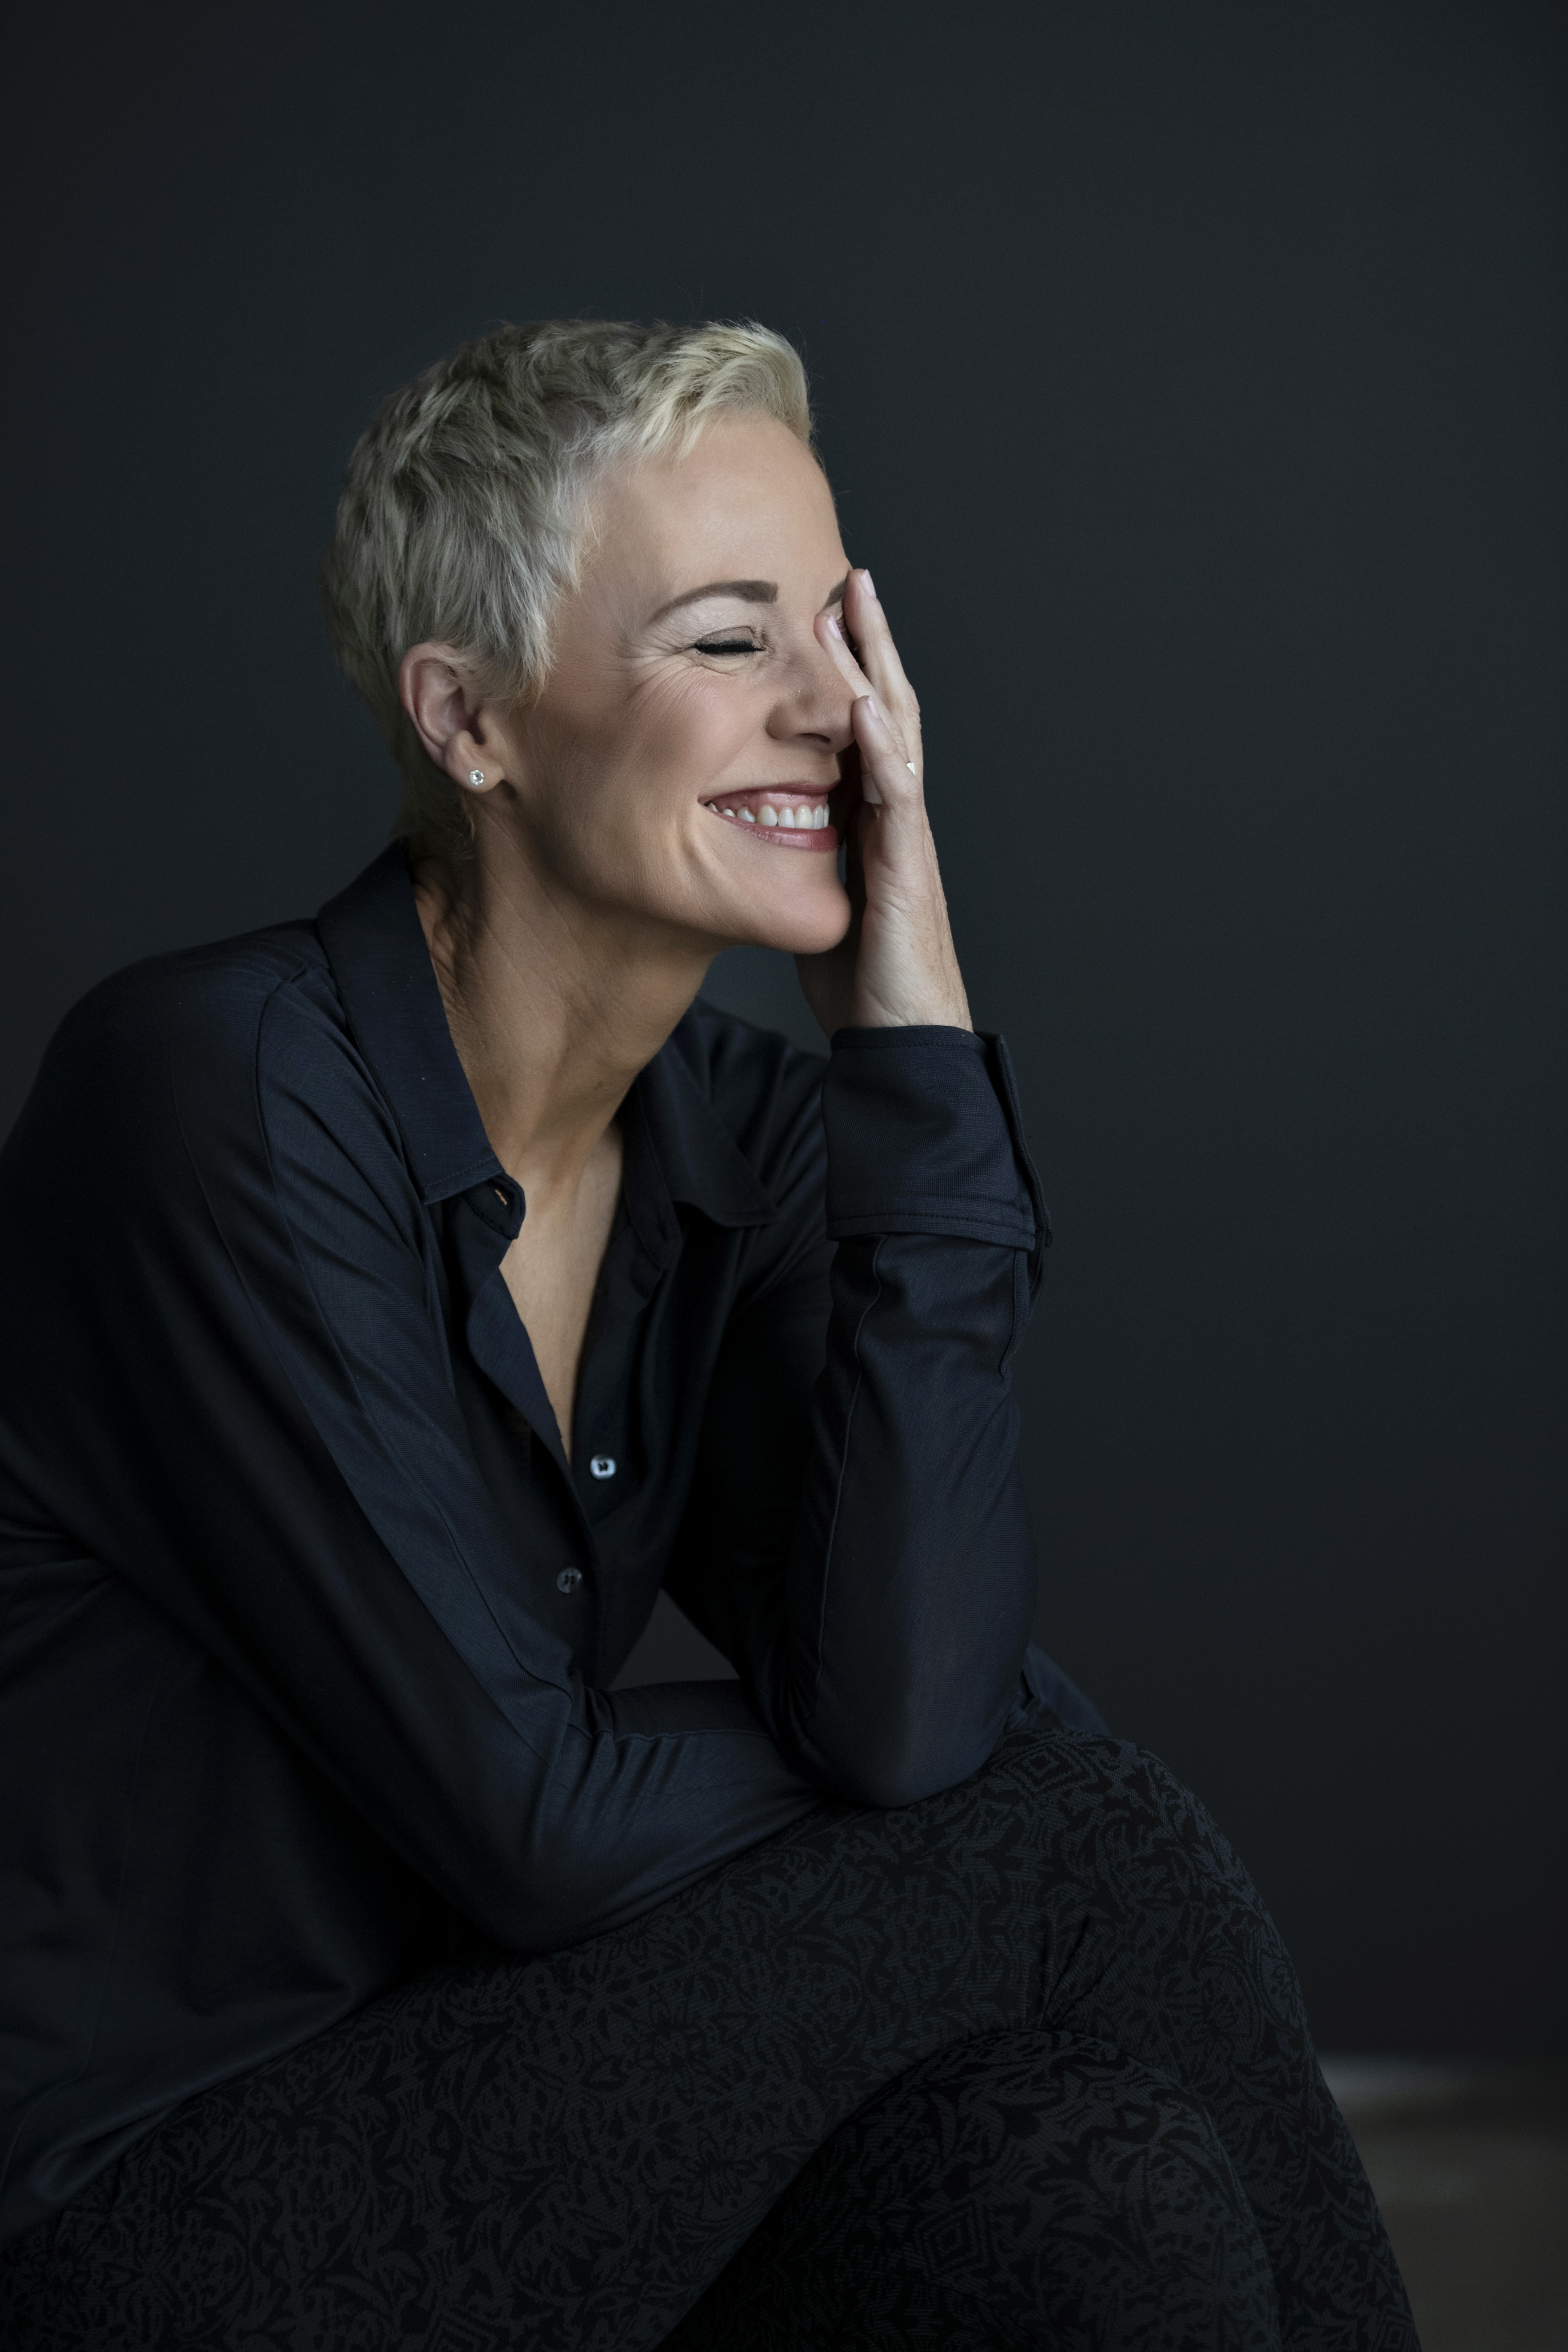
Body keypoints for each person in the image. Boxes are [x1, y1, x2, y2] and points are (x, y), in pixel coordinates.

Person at [0, 319, 1414, 2349]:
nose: (840, 710)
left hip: (529, 2130)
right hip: (141, 2220)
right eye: (732, 640)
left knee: (1082, 2178)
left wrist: (913, 1046)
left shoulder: (741, 1140)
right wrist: (944, 1758)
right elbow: (538, 1829)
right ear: (470, 720)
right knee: (1073, 1839)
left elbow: (908, 1713)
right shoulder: (221, 1092)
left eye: (838, 630)